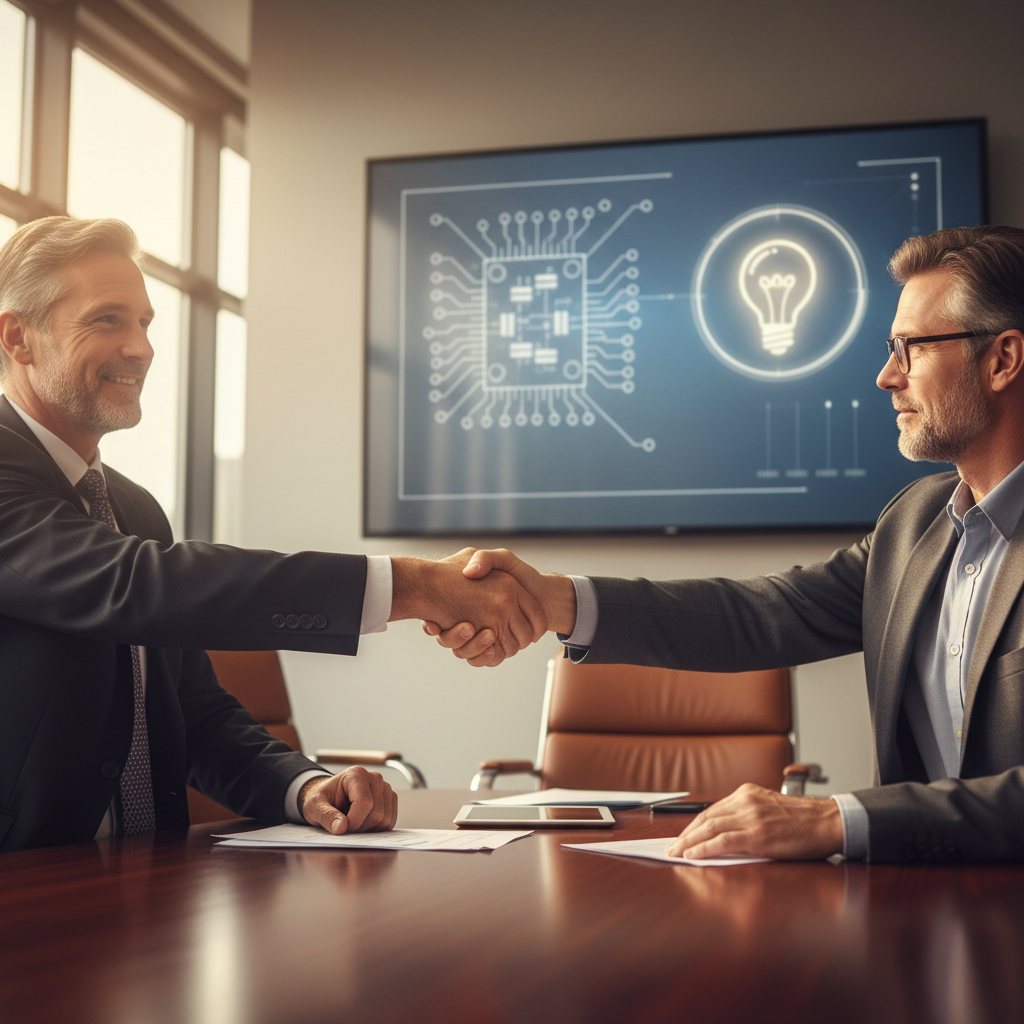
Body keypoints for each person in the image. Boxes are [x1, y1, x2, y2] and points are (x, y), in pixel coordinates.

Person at [428, 224, 1024, 863]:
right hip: (917, 915)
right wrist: (553, 602)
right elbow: (758, 615)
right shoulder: (914, 524)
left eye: (911, 349)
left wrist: (840, 819)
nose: (886, 376)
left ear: (1002, 360)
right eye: (890, 347)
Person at [0, 216, 545, 853]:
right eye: (107, 320)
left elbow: (193, 712)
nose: (142, 348)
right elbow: (133, 585)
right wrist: (416, 586)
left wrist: (303, 786)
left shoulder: (135, 509)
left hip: (145, 896)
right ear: (18, 337)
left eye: (145, 323)